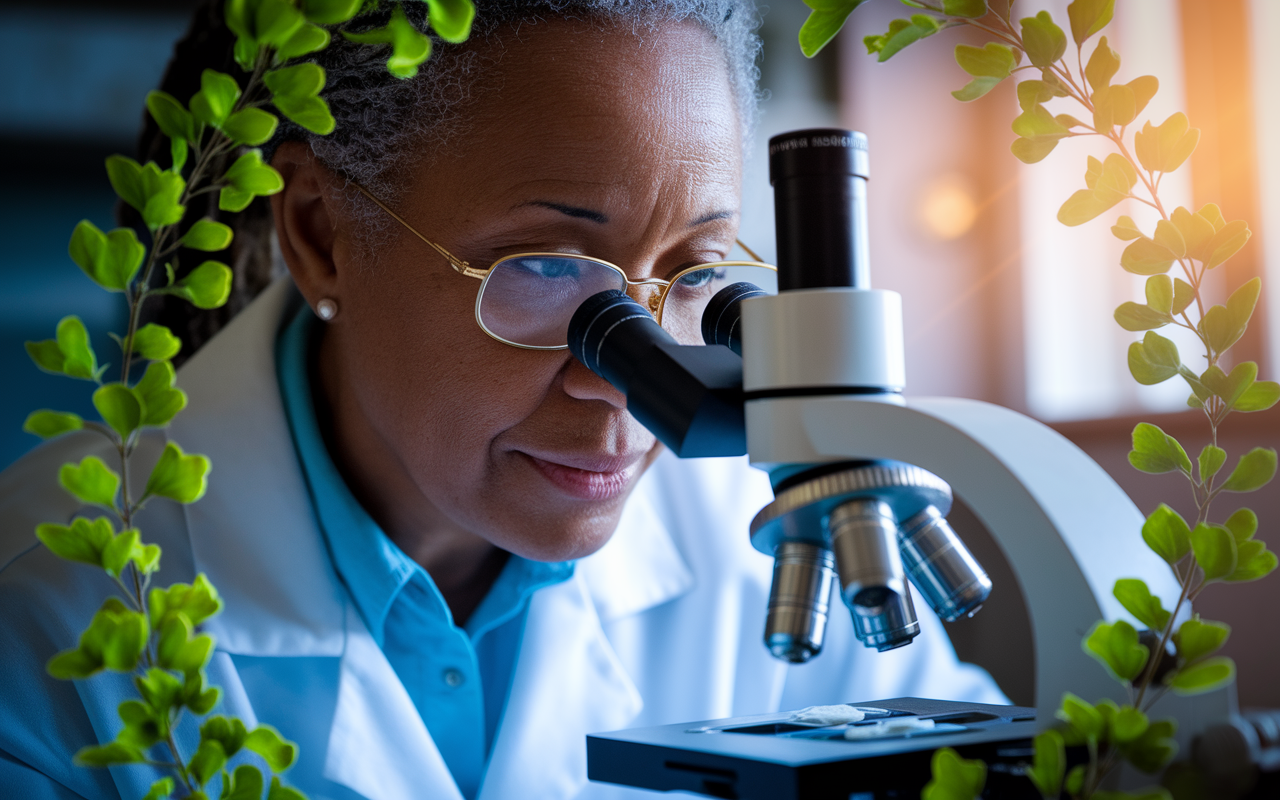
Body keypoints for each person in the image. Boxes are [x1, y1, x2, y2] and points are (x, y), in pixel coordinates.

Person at [0, 2, 1006, 798]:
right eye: (545, 268)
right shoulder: (46, 613)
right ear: (319, 231)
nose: (626, 379)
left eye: (696, 270)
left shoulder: (753, 556)